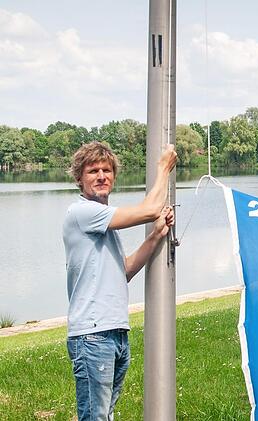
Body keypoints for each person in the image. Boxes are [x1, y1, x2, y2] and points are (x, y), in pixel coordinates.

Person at [63, 141, 177, 420]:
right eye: (92, 171)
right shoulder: (83, 213)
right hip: (93, 334)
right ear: (79, 178)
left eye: (106, 170)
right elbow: (150, 209)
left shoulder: (103, 222)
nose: (101, 176)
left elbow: (123, 271)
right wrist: (163, 168)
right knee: (95, 417)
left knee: (105, 414)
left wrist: (156, 235)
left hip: (114, 332)